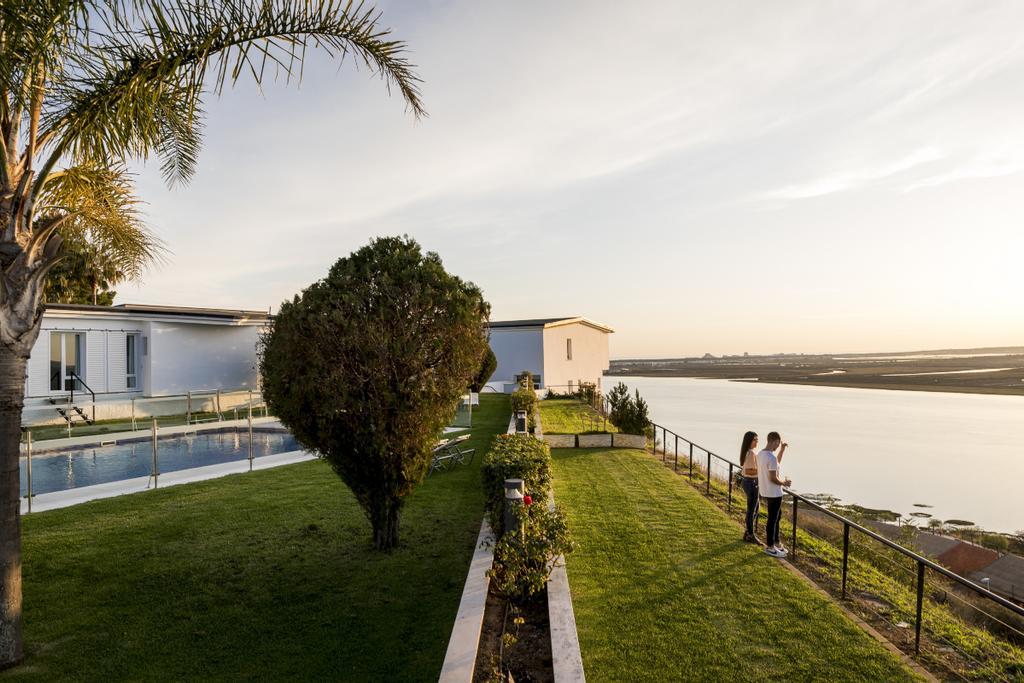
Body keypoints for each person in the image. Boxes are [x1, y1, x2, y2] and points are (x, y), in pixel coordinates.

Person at [757, 431, 791, 557]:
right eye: (778, 443)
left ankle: (776, 543)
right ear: (775, 441)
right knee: (772, 520)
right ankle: (770, 546)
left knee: (776, 517)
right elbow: (773, 477)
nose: (778, 446)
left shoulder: (761, 454)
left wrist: (782, 450)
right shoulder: (770, 457)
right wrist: (784, 483)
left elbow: (776, 464)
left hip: (765, 491)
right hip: (774, 493)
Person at [739, 431, 762, 544]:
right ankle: (750, 534)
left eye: (757, 439)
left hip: (749, 482)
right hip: (751, 482)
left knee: (754, 508)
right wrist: (763, 471)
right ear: (749, 441)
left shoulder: (747, 452)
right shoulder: (751, 453)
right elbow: (748, 471)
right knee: (752, 510)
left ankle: (748, 532)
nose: (757, 441)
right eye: (755, 440)